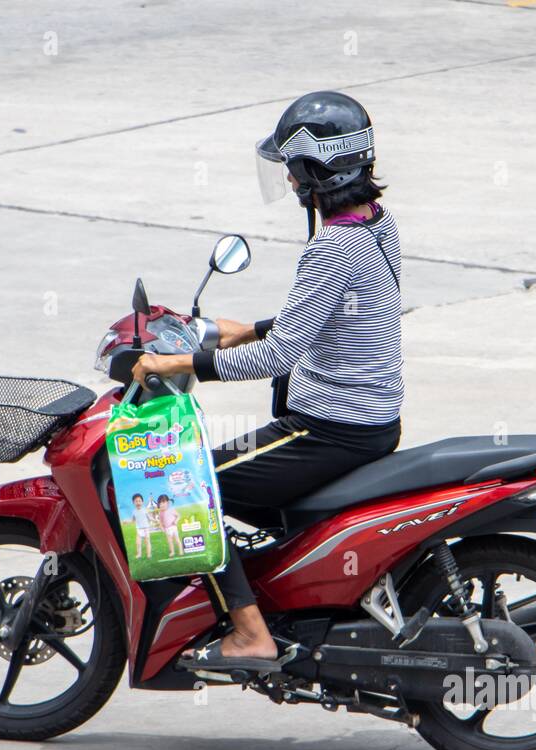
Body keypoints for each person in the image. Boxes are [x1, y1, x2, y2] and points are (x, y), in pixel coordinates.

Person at [132, 90, 403, 671]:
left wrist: (181, 363)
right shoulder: (375, 225)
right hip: (369, 421)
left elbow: (282, 357)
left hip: (327, 429)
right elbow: (341, 315)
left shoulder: (335, 244)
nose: (288, 179)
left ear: (315, 169)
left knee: (184, 491)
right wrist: (245, 328)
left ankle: (252, 633)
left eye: (292, 166)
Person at [130, 493, 153, 559]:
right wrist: (127, 522)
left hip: (146, 528)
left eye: (139, 501)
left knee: (147, 541)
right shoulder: (134, 511)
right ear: (133, 503)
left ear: (142, 502)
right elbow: (133, 520)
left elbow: (149, 517)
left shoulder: (145, 510)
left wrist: (154, 520)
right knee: (138, 543)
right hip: (139, 529)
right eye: (136, 501)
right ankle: (139, 554)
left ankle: (149, 554)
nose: (138, 502)